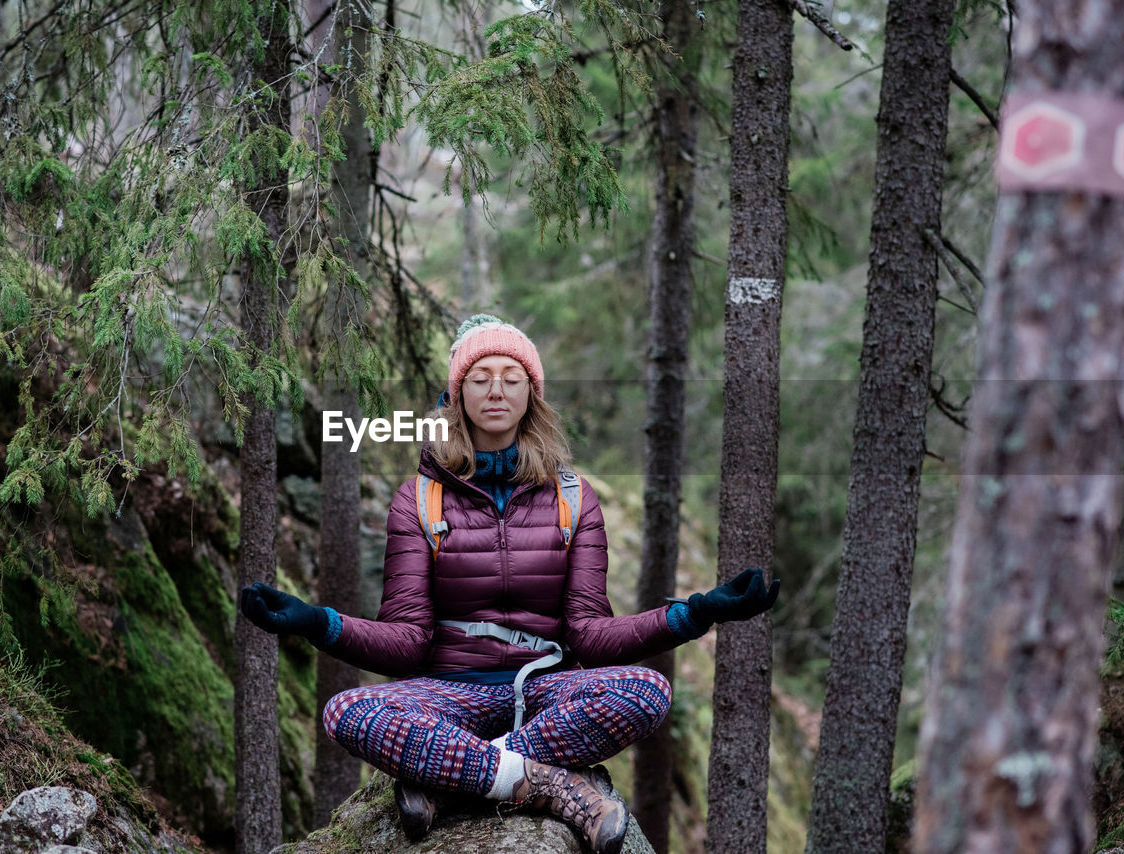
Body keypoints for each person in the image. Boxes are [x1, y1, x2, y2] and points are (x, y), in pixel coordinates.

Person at [240, 314, 780, 854]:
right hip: (448, 694)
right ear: (457, 394)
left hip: (547, 691)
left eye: (511, 376)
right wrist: (316, 621)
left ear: (531, 394)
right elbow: (406, 642)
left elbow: (590, 636)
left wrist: (698, 612)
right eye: (480, 377)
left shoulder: (573, 498)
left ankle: (456, 781)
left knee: (646, 691)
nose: (496, 389)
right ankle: (548, 785)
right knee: (347, 712)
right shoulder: (419, 499)